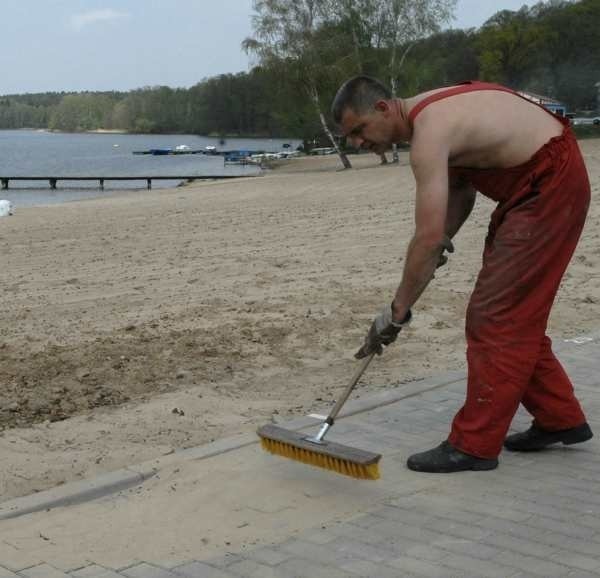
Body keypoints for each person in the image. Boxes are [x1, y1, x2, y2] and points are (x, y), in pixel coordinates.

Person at [331, 75, 593, 473]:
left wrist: (397, 312)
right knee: (514, 313)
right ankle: (560, 418)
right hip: (534, 186)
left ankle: (474, 446)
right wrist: (441, 242)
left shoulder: (429, 134)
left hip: (549, 185)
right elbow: (460, 193)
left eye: (359, 130)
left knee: (495, 317)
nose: (357, 143)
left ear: (384, 108)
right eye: (350, 137)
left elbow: (427, 236)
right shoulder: (431, 116)